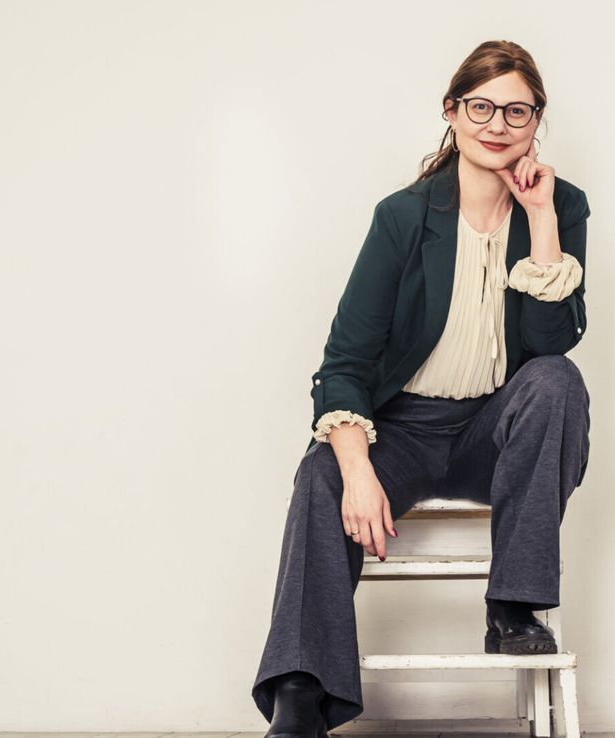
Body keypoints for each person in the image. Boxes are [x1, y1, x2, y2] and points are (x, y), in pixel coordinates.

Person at [251, 39, 593, 738]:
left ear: (537, 121)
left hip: (492, 434)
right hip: (403, 430)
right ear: (452, 111)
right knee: (321, 473)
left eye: (517, 111)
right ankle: (300, 692)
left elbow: (551, 344)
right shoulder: (404, 217)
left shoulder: (563, 206)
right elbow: (345, 359)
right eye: (481, 106)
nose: (498, 124)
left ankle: (514, 611)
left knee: (557, 380)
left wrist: (542, 219)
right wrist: (356, 470)